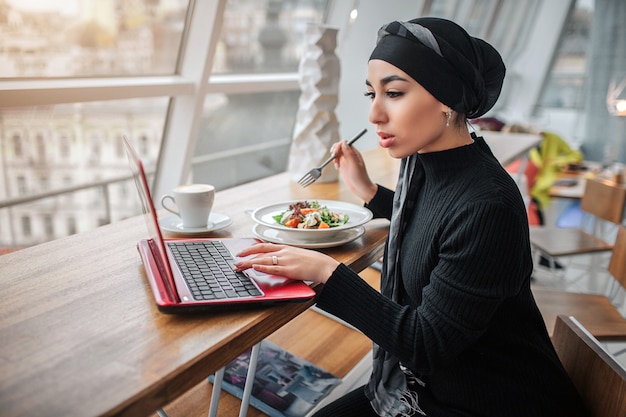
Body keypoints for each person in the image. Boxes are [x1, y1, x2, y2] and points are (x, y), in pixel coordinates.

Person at [235, 17, 586, 417]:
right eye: (372, 94)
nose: (374, 115)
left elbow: (425, 343)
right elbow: (435, 225)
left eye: (395, 93)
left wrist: (326, 272)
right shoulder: (425, 164)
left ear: (447, 99)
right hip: (428, 385)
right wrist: (369, 192)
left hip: (490, 400)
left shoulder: (489, 205)